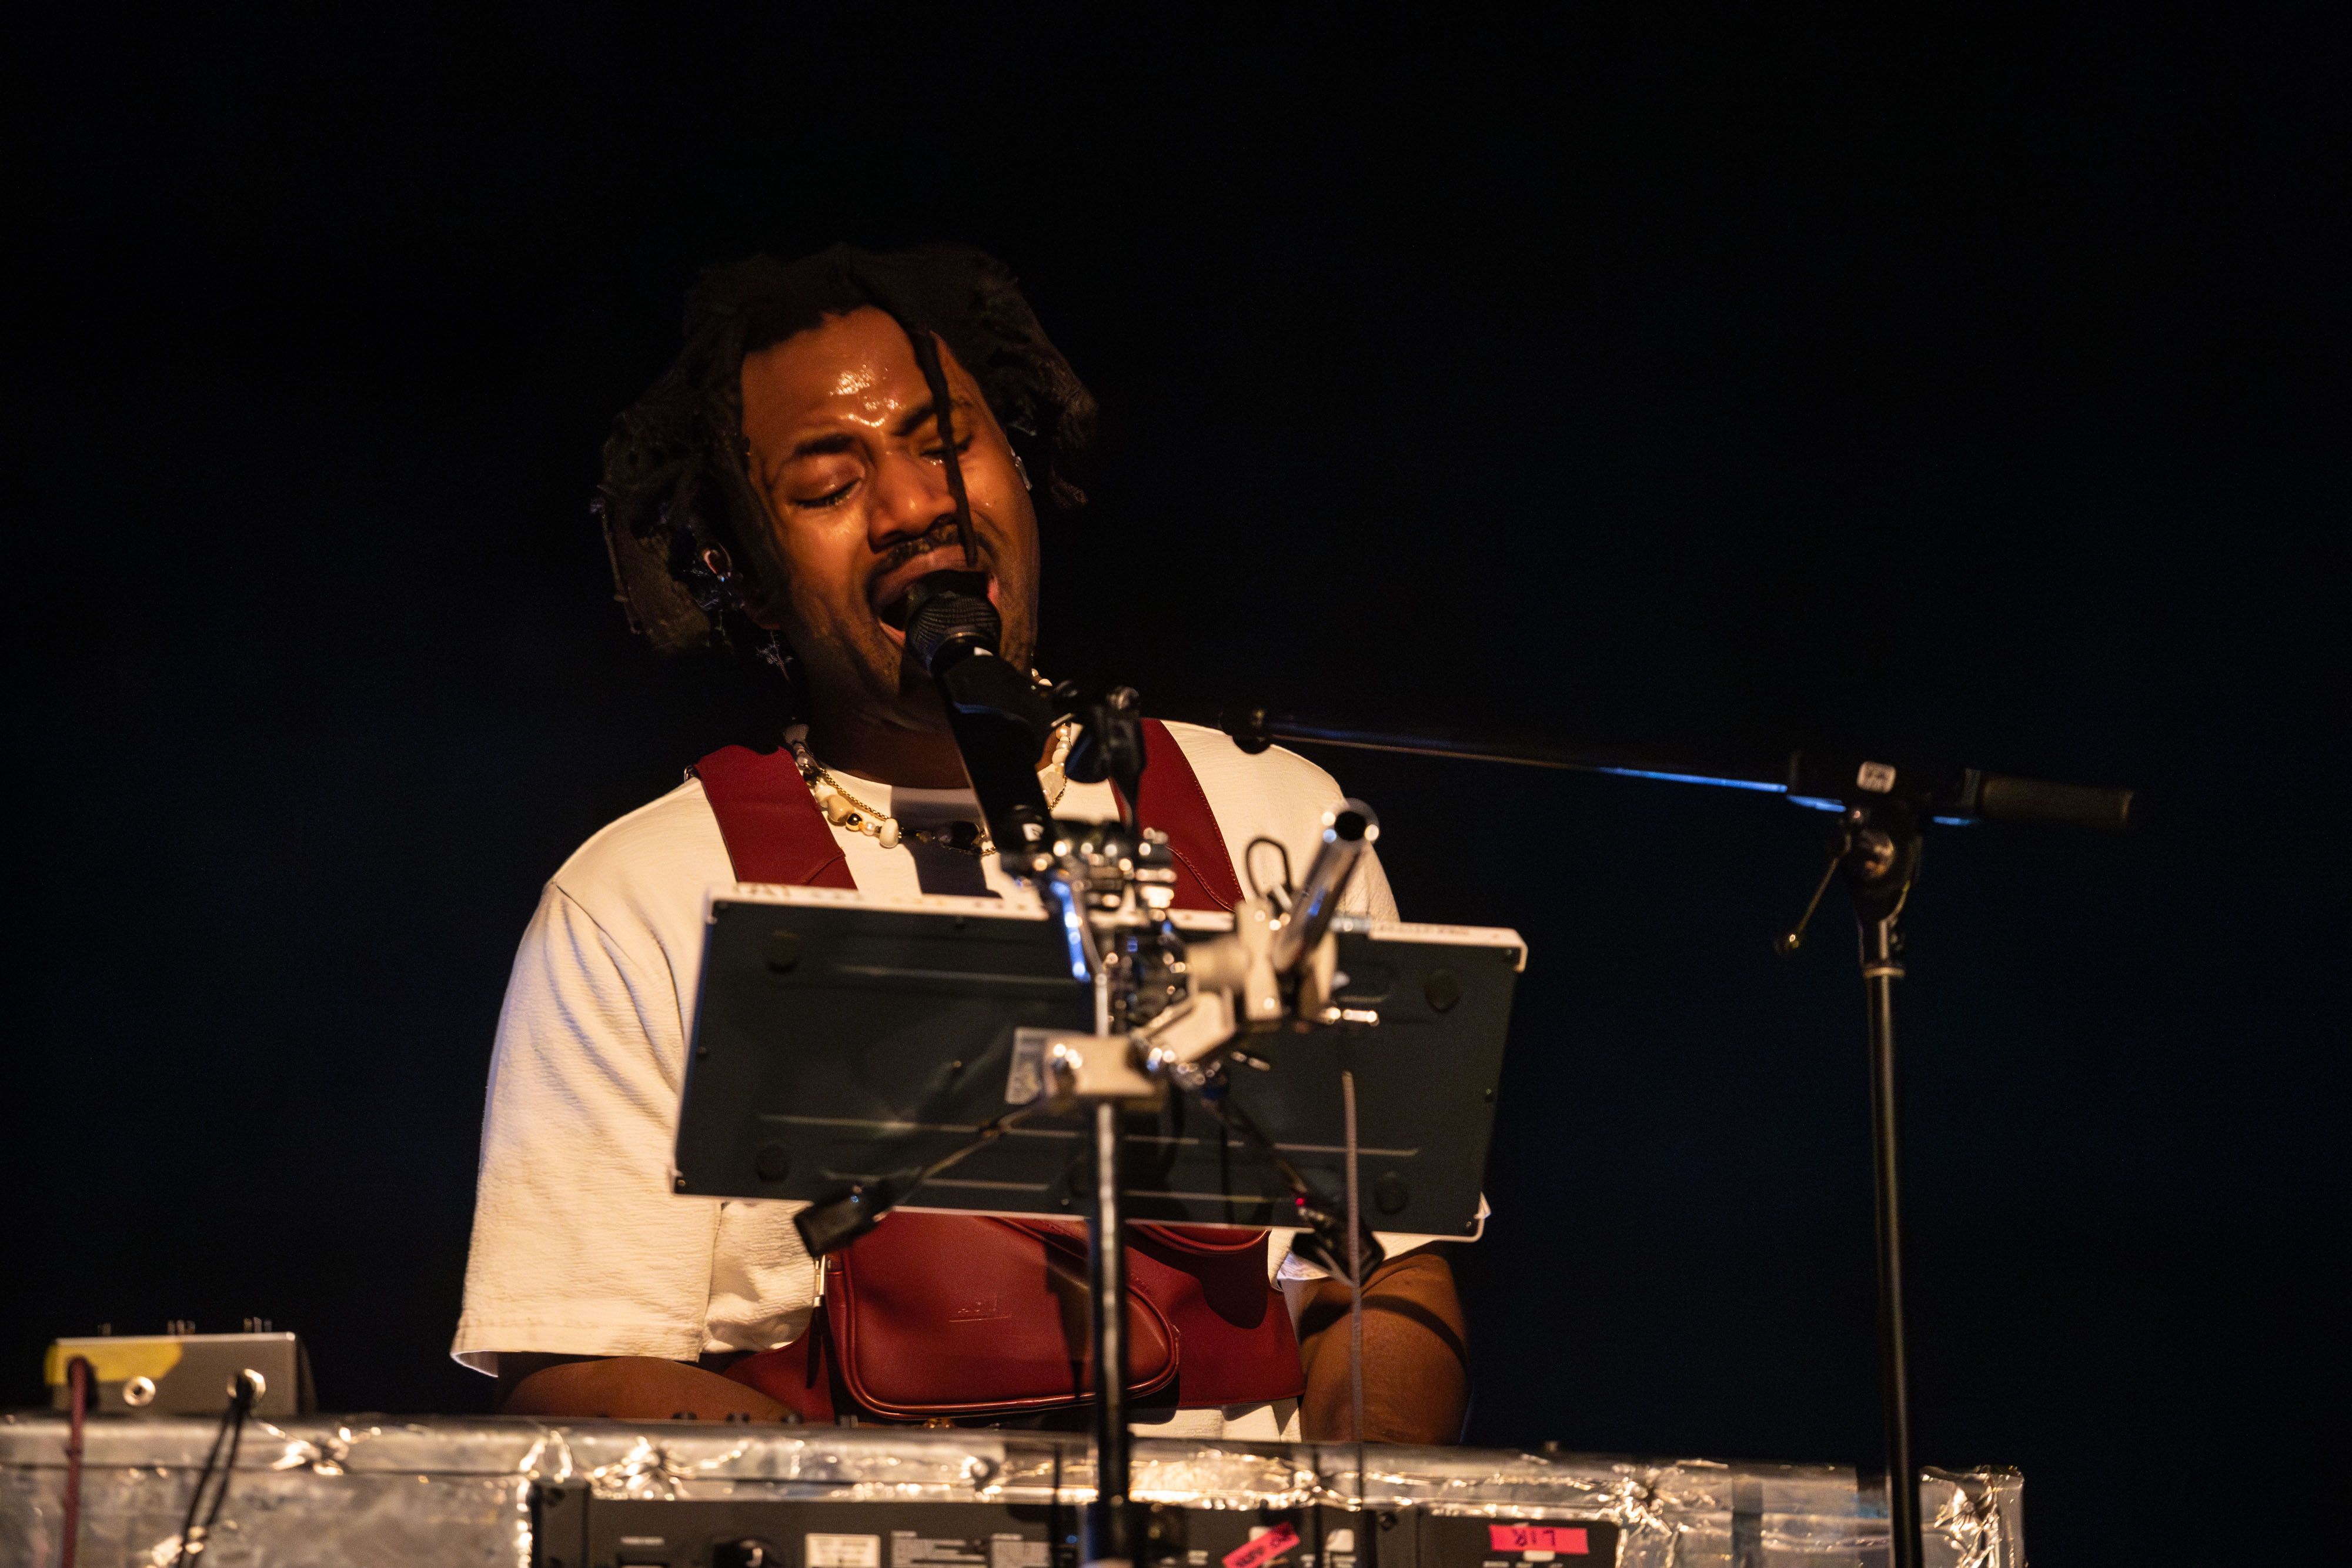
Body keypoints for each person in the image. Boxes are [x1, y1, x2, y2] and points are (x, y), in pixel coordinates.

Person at [453, 245, 1471, 1440]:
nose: (911, 507)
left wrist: (1345, 1515)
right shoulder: (643, 899)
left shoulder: (1274, 822)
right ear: (746, 574)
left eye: (944, 445)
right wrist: (907, 1512)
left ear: (1018, 468)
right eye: (829, 486)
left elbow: (1384, 1274)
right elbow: (578, 1372)